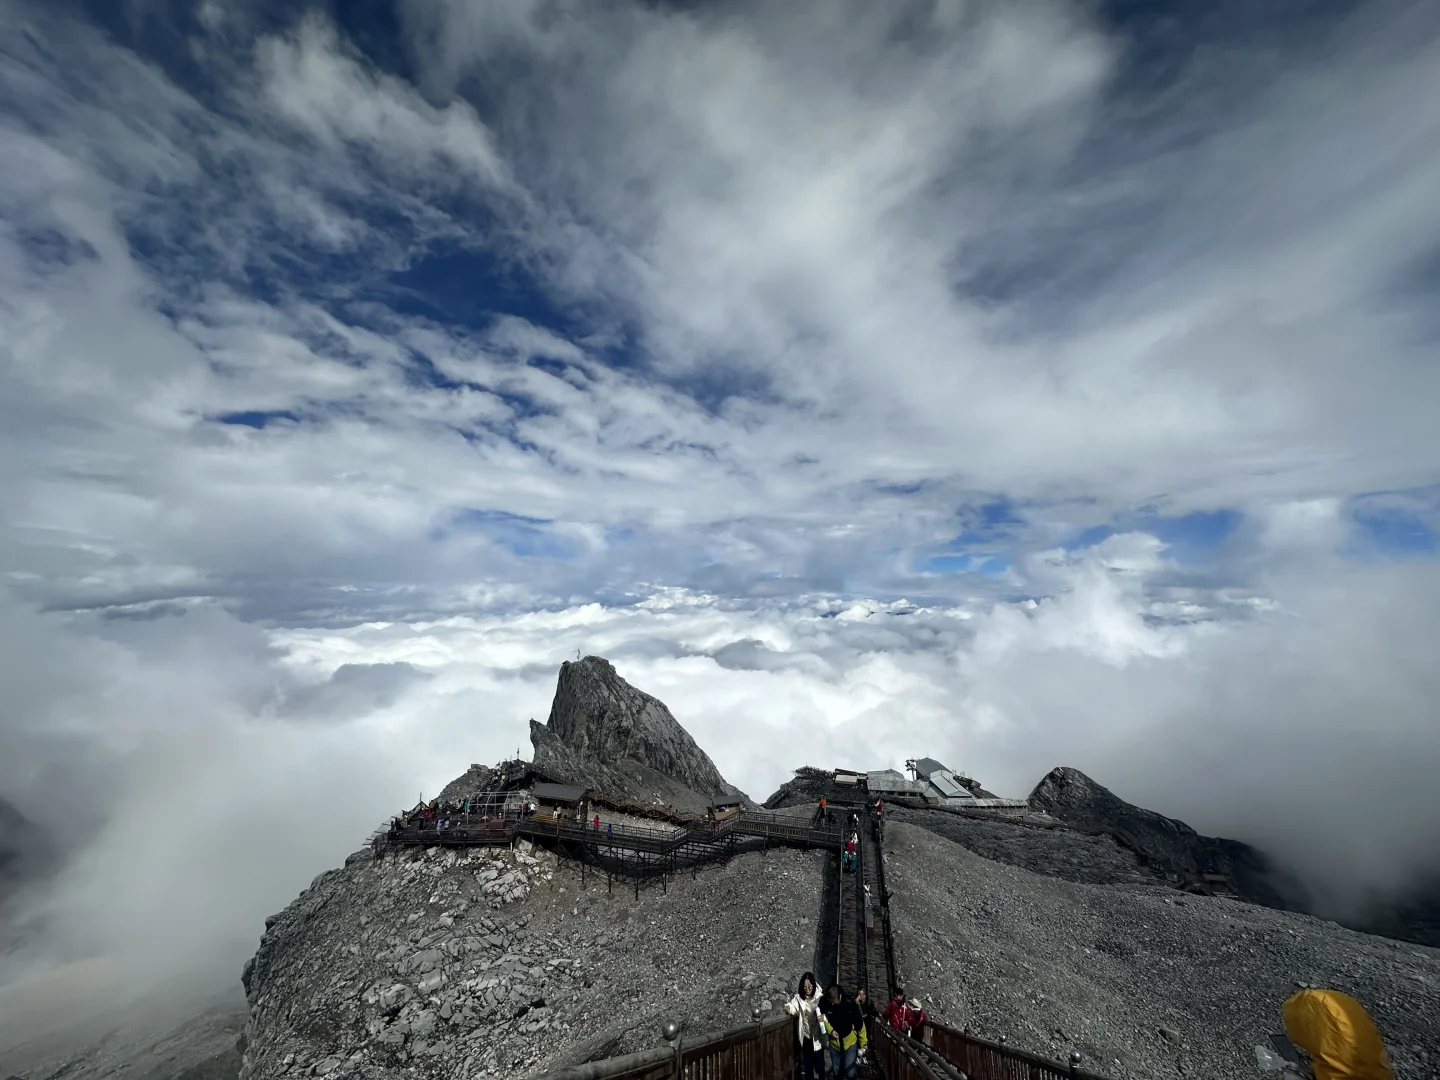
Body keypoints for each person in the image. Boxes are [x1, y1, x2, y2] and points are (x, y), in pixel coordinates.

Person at [818, 984, 867, 1079]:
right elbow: (822, 1018)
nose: (832, 1005)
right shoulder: (825, 1003)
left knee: (850, 1073)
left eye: (834, 1002)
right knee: (837, 1072)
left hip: (850, 1042)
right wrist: (830, 1030)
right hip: (834, 1044)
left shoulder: (850, 1004)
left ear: (840, 996)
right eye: (830, 1002)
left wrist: (863, 1043)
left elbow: (860, 1024)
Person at [784, 972, 826, 1080]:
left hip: (817, 1037)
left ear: (813, 984)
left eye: (809, 986)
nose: (807, 988)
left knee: (819, 1065)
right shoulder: (799, 998)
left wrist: (823, 1018)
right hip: (806, 1036)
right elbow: (793, 1006)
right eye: (805, 986)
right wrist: (789, 1008)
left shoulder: (820, 998)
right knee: (807, 1065)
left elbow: (827, 1013)